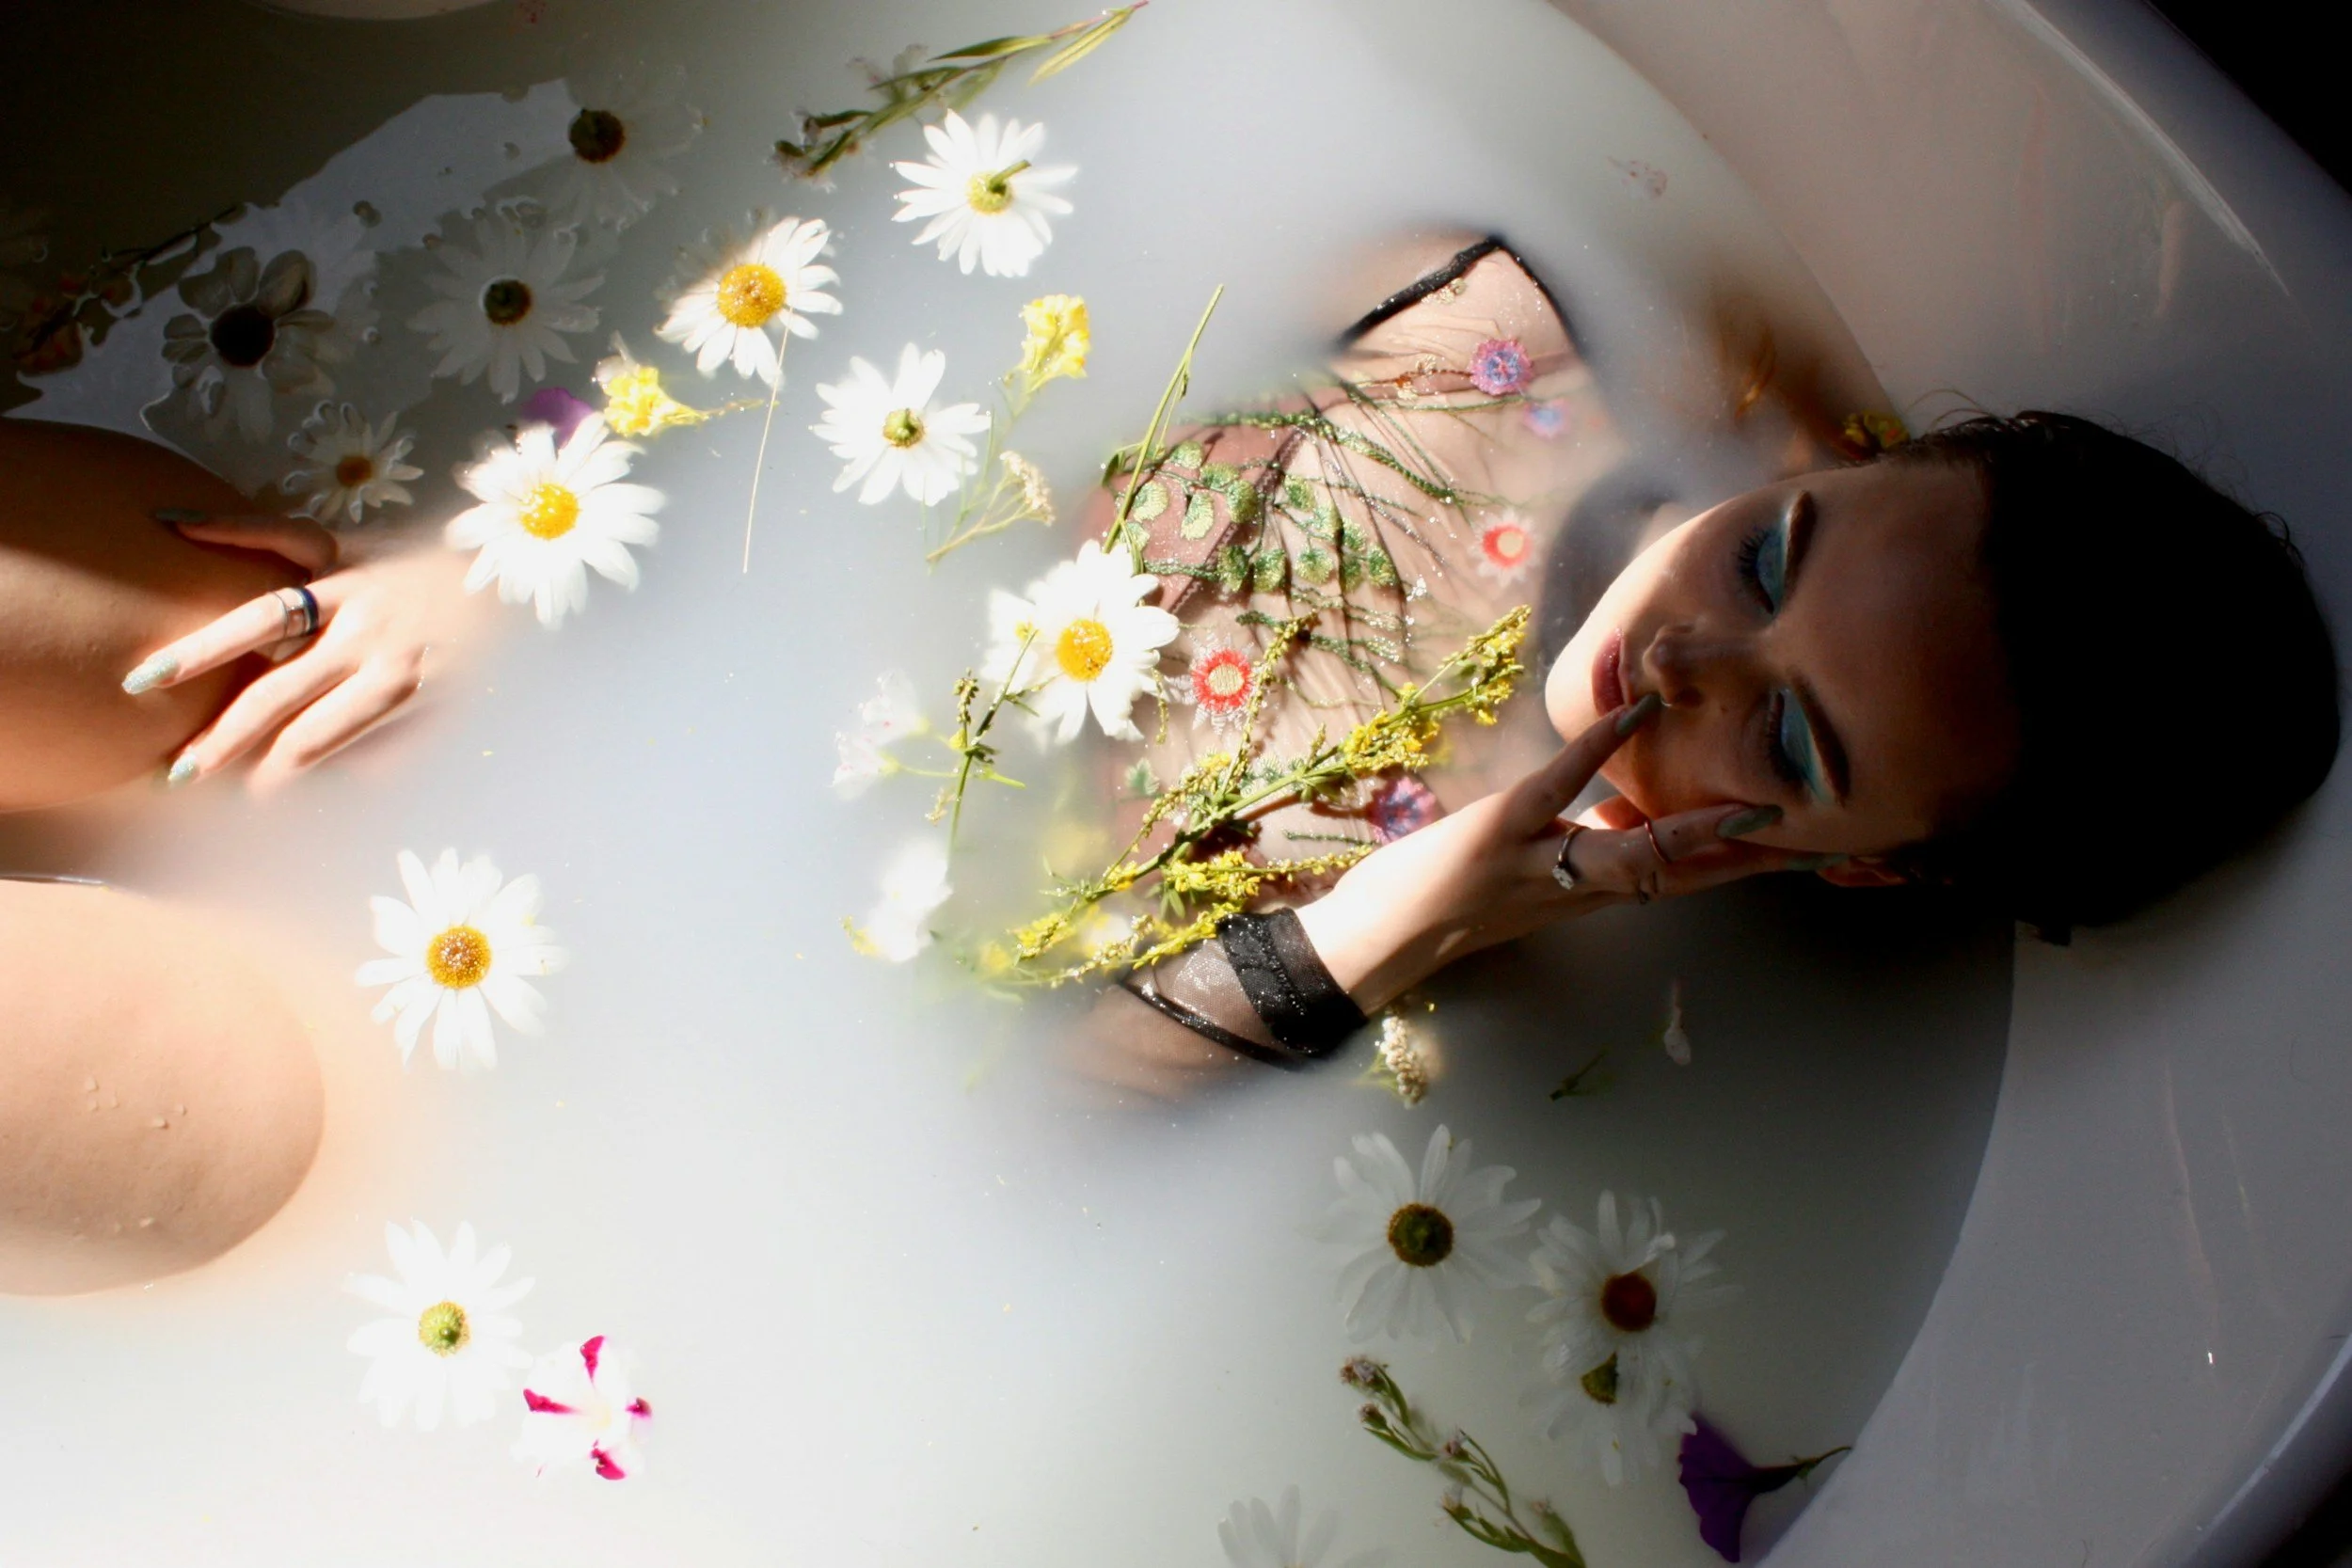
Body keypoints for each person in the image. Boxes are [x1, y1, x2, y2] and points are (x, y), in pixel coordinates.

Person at [1081, 235, 2339, 1095]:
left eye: (1789, 739)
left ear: (1861, 865)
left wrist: (1395, 920)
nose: (1685, 656)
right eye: (1770, 560)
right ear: (1841, 460)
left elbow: (1050, 1133)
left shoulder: (1517, 984)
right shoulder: (1468, 319)